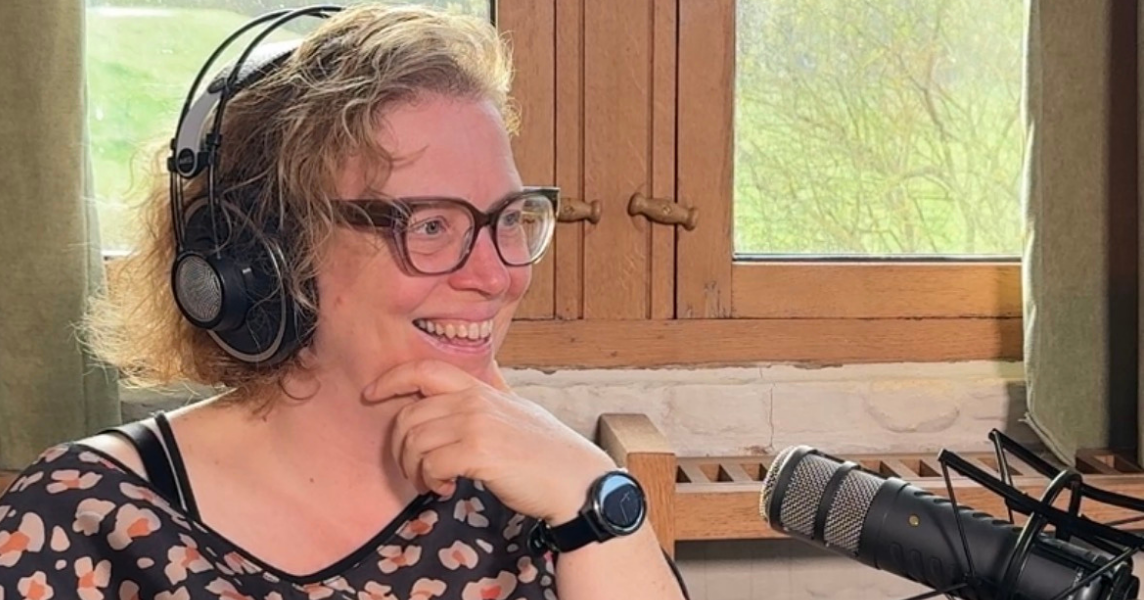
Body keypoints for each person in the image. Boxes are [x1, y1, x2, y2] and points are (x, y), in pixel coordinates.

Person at [0, 4, 689, 599]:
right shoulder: (82, 519)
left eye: (509, 218)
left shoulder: (548, 490)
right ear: (264, 254)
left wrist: (595, 497)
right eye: (429, 226)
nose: (495, 274)